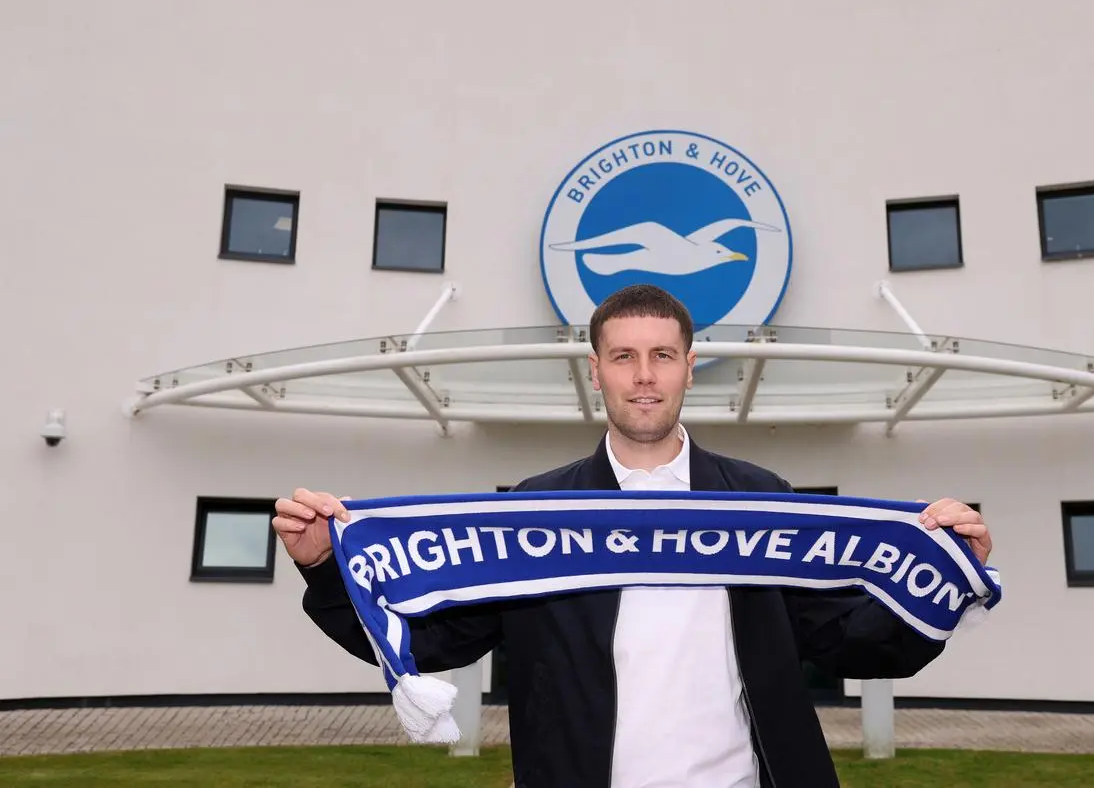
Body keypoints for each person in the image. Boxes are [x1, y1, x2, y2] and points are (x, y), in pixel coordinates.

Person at [274, 283, 992, 788]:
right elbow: (437, 636)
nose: (643, 376)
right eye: (623, 356)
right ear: (595, 371)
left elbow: (847, 641)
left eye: (662, 355)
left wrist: (941, 573)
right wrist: (327, 569)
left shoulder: (759, 500)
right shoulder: (536, 511)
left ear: (688, 365)